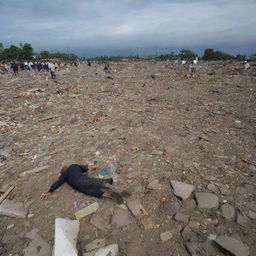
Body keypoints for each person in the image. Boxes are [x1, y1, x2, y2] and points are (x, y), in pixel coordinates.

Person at [40, 164, 128, 203]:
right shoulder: (73, 166)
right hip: (82, 179)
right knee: (100, 183)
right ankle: (115, 190)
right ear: (67, 167)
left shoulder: (64, 177)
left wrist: (49, 191)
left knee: (97, 193)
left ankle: (113, 196)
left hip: (80, 189)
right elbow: (87, 167)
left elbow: (57, 183)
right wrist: (88, 173)